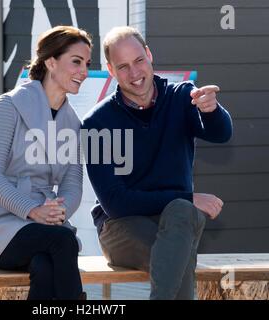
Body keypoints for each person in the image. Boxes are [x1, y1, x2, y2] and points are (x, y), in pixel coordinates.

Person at [82, 26, 233, 300]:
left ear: (149, 55)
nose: (135, 73)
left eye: (139, 60)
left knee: (181, 215)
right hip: (121, 227)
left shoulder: (181, 98)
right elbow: (116, 203)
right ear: (111, 70)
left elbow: (221, 133)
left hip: (177, 221)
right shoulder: (96, 124)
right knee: (179, 252)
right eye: (123, 66)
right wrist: (187, 197)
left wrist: (212, 111)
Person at [0, 26, 92, 300]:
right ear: (51, 62)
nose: (84, 71)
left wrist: (57, 213)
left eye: (87, 63)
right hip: (2, 226)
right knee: (64, 242)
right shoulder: (9, 106)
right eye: (76, 61)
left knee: (45, 266)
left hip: (47, 227)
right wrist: (32, 210)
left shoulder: (74, 123)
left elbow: (72, 183)